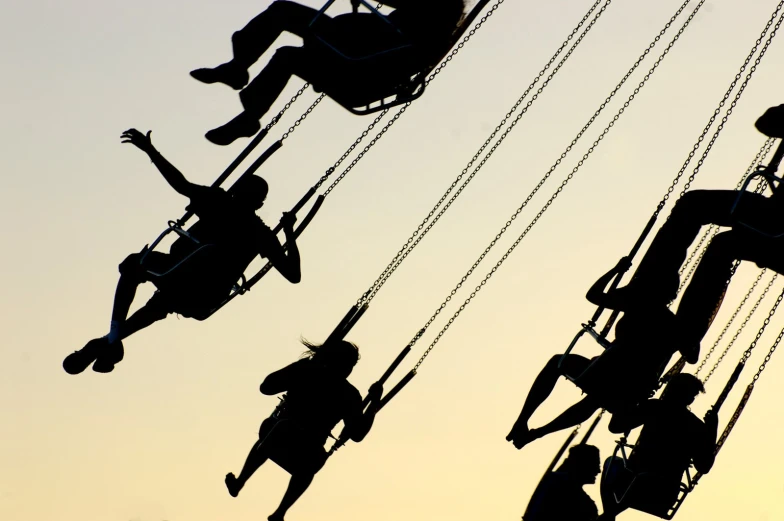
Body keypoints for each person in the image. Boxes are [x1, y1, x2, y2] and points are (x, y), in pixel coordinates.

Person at [62, 129, 301, 374]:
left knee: (134, 265)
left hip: (180, 274)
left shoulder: (220, 203)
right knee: (161, 302)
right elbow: (293, 274)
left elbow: (180, 184)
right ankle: (108, 343)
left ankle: (113, 336)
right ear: (260, 204)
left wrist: (151, 151)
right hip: (201, 296)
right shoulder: (260, 233)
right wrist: (289, 234)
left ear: (236, 191)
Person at [190, 0, 466, 145]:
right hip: (350, 54)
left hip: (356, 64)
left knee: (286, 30)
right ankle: (240, 84)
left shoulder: (441, 13)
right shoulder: (432, 17)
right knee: (285, 37)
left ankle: (243, 90)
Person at [631, 104, 784, 349]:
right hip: (776, 220)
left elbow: (768, 123)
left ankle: (651, 288)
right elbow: (766, 123)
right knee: (724, 246)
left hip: (778, 219)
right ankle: (686, 331)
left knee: (694, 204)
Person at [506, 258, 696, 450]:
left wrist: (616, 271)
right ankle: (528, 426)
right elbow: (692, 355)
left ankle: (528, 426)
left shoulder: (643, 308)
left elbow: (594, 295)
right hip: (615, 374)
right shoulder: (657, 315)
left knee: (592, 393)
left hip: (625, 382)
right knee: (573, 377)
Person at [225, 339, 383, 521]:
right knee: (281, 431)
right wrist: (374, 403)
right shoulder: (324, 380)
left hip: (304, 448)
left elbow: (356, 434)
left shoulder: (330, 383)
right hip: (284, 436)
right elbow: (267, 387)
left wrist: (373, 404)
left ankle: (280, 511)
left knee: (309, 456)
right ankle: (243, 483)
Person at [600, 373, 718, 520]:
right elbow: (704, 466)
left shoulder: (654, 408)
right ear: (690, 399)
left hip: (634, 484)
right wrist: (711, 432)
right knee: (635, 481)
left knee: (613, 462)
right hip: (665, 495)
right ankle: (608, 516)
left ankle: (608, 515)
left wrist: (631, 399)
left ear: (670, 389)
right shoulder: (696, 426)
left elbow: (615, 426)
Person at [523, 444, 601, 521]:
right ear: (583, 465)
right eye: (595, 465)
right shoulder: (561, 487)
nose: (599, 470)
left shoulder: (557, 483)